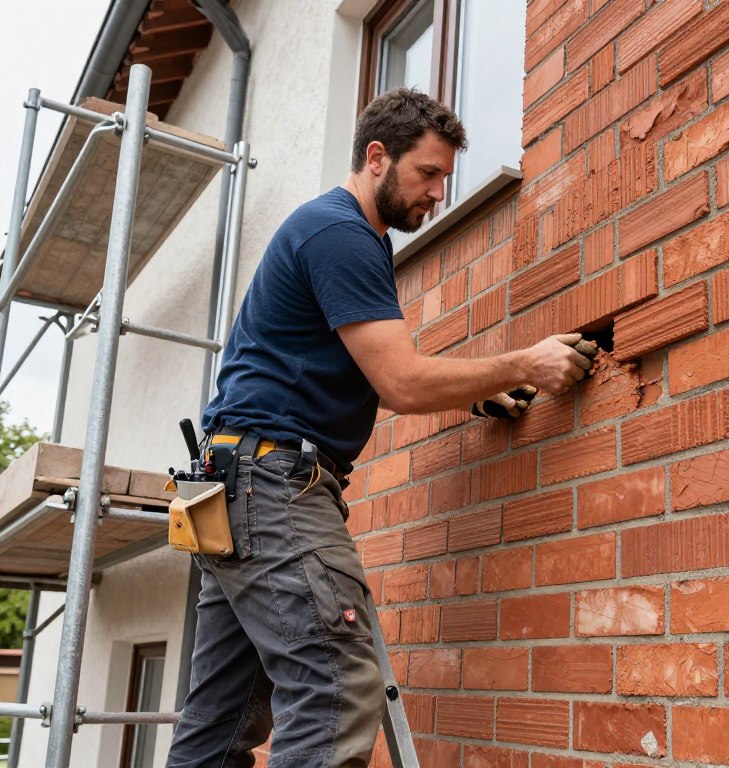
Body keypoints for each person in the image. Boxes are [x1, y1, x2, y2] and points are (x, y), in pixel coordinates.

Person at [166, 88, 593, 768]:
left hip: (230, 490)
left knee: (219, 721)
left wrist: (479, 393)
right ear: (376, 157)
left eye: (445, 180)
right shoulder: (343, 234)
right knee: (335, 688)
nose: (436, 196)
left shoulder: (327, 231)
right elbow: (400, 380)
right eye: (427, 174)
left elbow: (365, 370)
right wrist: (527, 362)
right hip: (273, 488)